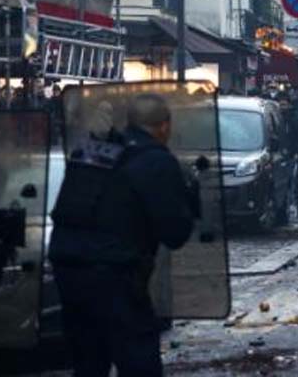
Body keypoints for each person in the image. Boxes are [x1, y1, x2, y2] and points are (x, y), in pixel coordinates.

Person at [49, 93, 196, 376]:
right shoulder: (156, 161)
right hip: (116, 276)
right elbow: (175, 234)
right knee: (139, 363)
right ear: (164, 126)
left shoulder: (92, 152)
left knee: (88, 363)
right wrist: (188, 196)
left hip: (70, 273)